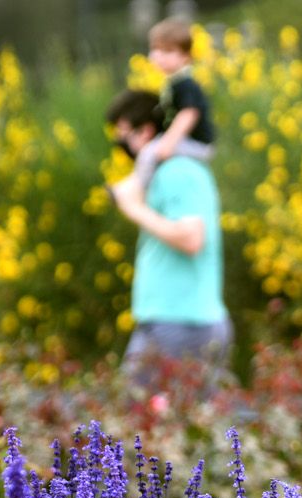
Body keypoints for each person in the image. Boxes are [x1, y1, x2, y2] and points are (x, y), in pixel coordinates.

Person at [104, 89, 232, 397]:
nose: (123, 146)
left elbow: (191, 238)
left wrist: (133, 208)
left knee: (131, 426)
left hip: (179, 324)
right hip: (173, 320)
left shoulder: (178, 172)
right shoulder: (172, 172)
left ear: (146, 131)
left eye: (125, 136)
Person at [147, 16, 216, 171]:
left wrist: (168, 143)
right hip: (188, 142)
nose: (159, 56)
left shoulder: (185, 83)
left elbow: (189, 113)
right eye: (155, 49)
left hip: (197, 144)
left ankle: (136, 190)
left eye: (168, 51)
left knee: (149, 154)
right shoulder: (174, 81)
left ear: (185, 56)